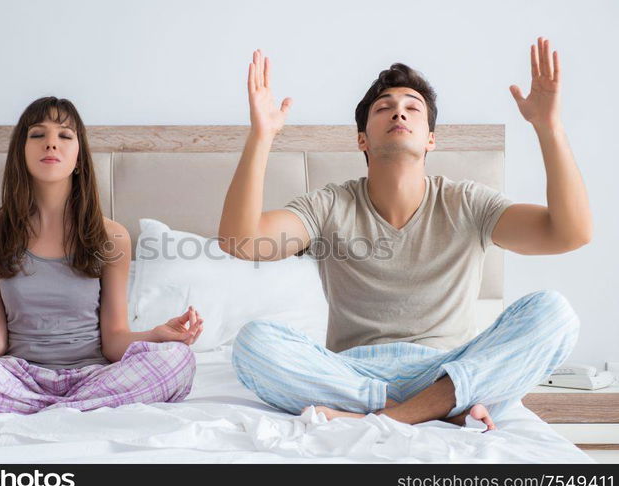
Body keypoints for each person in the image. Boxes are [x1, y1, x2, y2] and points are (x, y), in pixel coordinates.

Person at [219, 38, 591, 431]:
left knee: (554, 313)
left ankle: (388, 417)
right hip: (353, 372)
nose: (399, 112)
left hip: (447, 371)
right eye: (385, 108)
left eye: (413, 107)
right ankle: (429, 411)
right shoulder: (329, 205)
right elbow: (241, 241)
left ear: (430, 138)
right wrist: (261, 136)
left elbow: (570, 233)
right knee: (253, 344)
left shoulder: (466, 202)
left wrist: (548, 127)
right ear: (362, 139)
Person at [0, 97, 204, 423]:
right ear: (21, 153)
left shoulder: (113, 237)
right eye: (38, 134)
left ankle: (14, 413)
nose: (51, 142)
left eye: (65, 136)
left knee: (178, 360)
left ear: (79, 157)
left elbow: (114, 342)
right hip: (16, 377)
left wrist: (157, 334)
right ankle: (66, 414)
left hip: (92, 377)